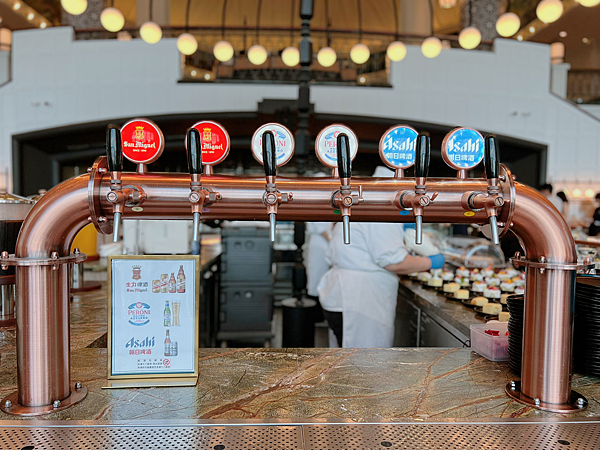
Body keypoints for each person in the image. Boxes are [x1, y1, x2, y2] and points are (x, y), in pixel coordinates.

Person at [317, 222, 445, 348]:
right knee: (363, 360)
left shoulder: (368, 209)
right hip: (359, 297)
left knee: (349, 359)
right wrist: (431, 261)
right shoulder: (380, 216)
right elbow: (395, 262)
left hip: (346, 292)